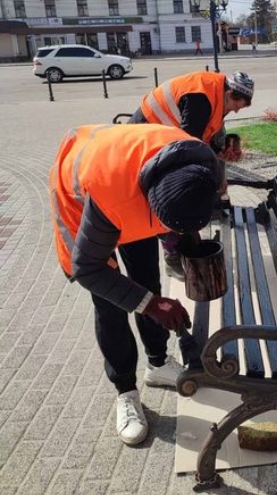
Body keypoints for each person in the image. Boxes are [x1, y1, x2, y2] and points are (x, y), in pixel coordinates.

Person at [49, 123, 222, 446]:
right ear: (149, 203)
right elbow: (88, 269)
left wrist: (190, 250)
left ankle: (156, 364)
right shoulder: (112, 197)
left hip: (130, 175)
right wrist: (151, 305)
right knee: (112, 303)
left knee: (147, 279)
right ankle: (125, 391)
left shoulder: (205, 167)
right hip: (80, 196)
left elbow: (184, 216)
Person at [128, 70, 254, 263]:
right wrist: (214, 179)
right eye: (236, 105)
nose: (236, 111)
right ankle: (172, 249)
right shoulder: (201, 99)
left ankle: (181, 241)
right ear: (229, 94)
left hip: (160, 134)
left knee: (184, 191)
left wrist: (219, 158)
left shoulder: (215, 95)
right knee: (170, 192)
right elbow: (187, 149)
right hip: (143, 135)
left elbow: (199, 139)